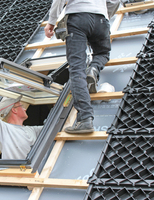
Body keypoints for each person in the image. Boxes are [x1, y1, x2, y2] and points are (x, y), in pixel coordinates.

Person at [44, 0, 111, 134]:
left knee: (77, 69)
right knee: (103, 53)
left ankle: (85, 119)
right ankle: (94, 68)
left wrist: (51, 22)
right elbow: (113, 1)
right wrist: (103, 14)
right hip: (101, 19)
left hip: (78, 18)